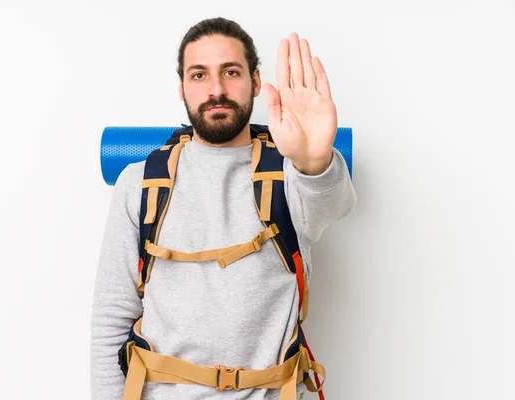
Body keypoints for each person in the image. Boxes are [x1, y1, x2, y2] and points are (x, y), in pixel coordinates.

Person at [90, 17, 357, 400]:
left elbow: (334, 204)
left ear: (255, 81)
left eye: (231, 72)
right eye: (199, 75)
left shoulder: (291, 173)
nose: (216, 89)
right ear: (181, 87)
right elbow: (110, 320)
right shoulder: (140, 182)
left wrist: (313, 160)